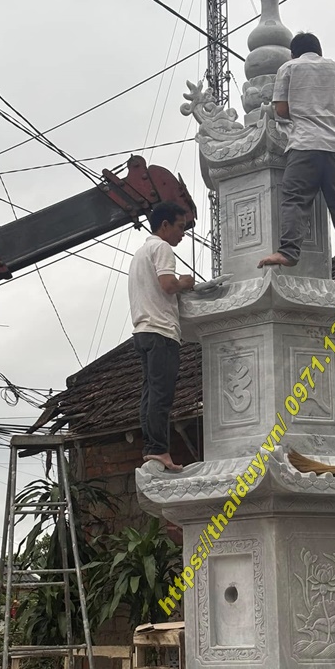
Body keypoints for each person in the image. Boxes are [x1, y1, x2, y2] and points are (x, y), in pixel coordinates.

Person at [257, 32, 335, 277]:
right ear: (319, 50)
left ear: (293, 53)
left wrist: (303, 108)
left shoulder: (289, 68)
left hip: (304, 147)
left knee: (295, 199)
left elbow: (281, 110)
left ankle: (289, 252)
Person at [129, 201, 195, 471]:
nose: (183, 233)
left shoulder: (140, 254)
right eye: (180, 227)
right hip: (161, 331)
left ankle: (152, 448)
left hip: (142, 331)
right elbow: (168, 285)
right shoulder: (162, 248)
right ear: (165, 225)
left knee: (150, 393)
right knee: (161, 395)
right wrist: (185, 283)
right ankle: (159, 449)